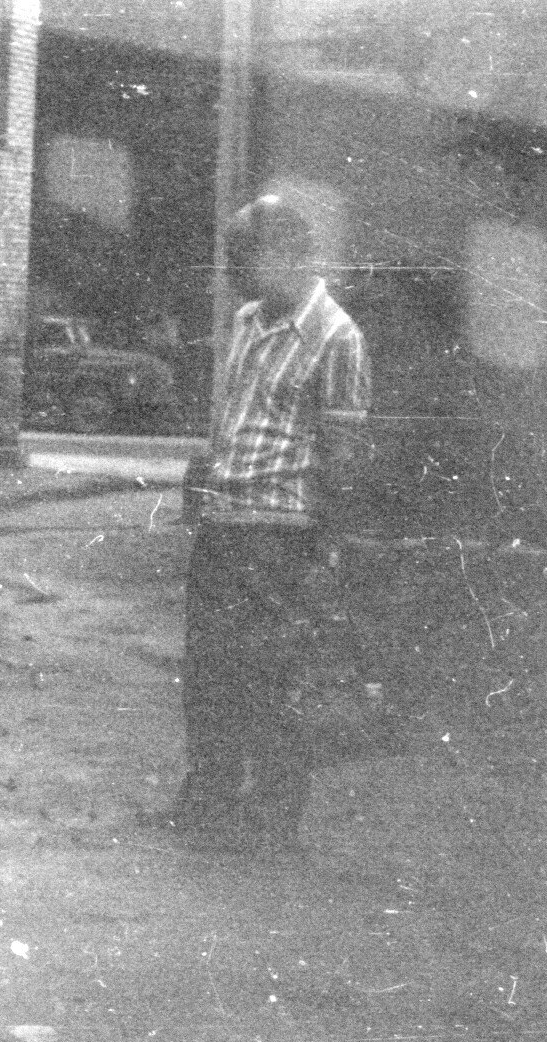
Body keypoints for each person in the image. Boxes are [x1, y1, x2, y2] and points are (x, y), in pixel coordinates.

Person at [148, 194, 372, 852]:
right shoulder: (247, 320)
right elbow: (236, 417)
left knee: (273, 675)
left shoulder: (338, 337)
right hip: (224, 521)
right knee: (210, 670)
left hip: (282, 530)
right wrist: (204, 478)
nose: (233, 275)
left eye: (243, 261)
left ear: (290, 255)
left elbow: (343, 455)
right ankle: (209, 799)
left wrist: (328, 552)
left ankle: (273, 819)